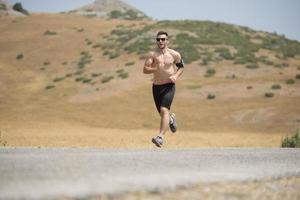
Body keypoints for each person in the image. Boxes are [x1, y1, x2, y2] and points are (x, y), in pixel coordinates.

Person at [143, 31, 184, 148]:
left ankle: (160, 137)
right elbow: (145, 69)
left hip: (169, 86)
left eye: (163, 39)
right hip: (156, 87)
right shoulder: (152, 55)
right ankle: (171, 119)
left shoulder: (174, 54)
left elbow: (181, 67)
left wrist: (175, 76)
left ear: (167, 41)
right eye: (158, 39)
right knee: (163, 113)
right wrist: (155, 68)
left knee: (164, 109)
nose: (160, 41)